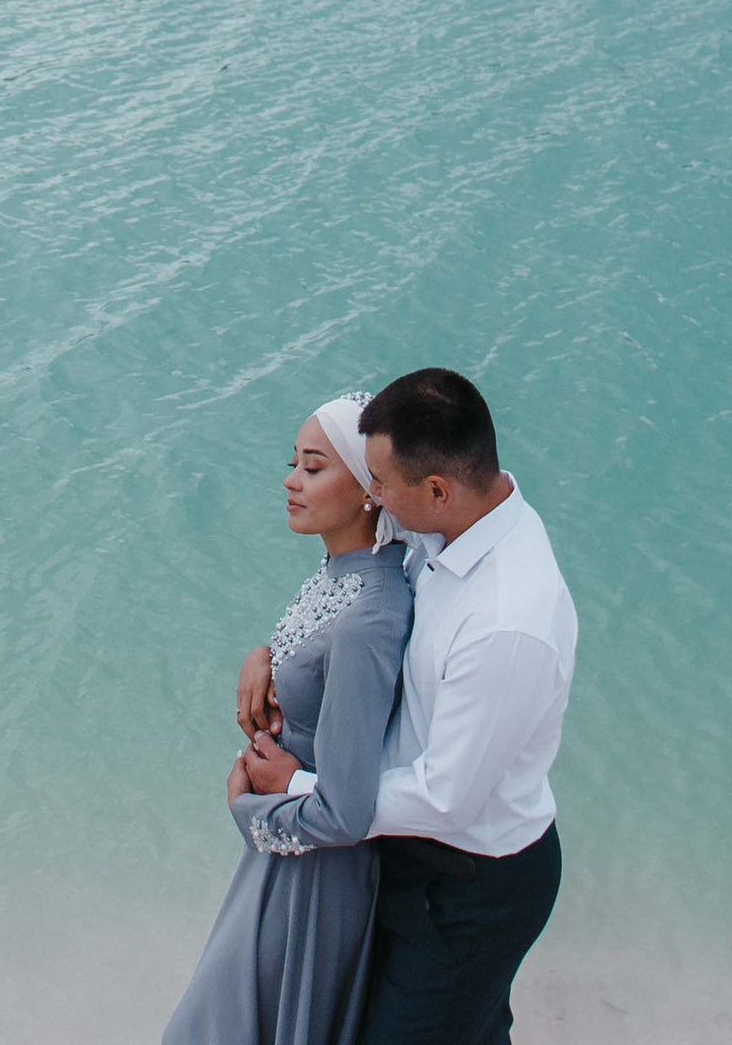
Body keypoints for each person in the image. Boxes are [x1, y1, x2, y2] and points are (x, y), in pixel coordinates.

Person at [240, 368, 575, 1045]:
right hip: (406, 857)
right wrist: (271, 652)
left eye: (381, 485)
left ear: (438, 490)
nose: (373, 495)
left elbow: (445, 798)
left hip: (468, 885)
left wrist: (300, 789)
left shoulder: (508, 621)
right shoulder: (444, 521)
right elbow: (350, 577)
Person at [163, 393, 415, 1045]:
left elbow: (346, 812)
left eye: (312, 467)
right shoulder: (346, 573)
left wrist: (246, 807)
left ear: (369, 489)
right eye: (293, 463)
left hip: (312, 874)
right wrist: (265, 656)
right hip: (288, 858)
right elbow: (317, 659)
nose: (290, 480)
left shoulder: (371, 616)